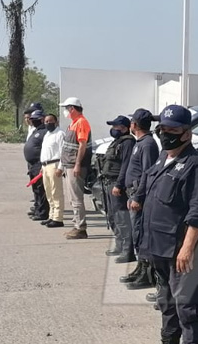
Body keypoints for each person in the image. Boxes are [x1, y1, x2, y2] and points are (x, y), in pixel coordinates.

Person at [133, 105, 198, 344]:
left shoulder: (197, 167)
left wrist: (188, 248)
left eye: (172, 130)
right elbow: (148, 185)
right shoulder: (162, 157)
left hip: (181, 252)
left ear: (187, 133)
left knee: (188, 308)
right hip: (158, 247)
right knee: (167, 304)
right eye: (162, 129)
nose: (165, 134)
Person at [118, 108, 161, 289]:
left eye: (132, 122)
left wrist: (138, 197)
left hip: (139, 196)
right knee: (137, 234)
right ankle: (140, 268)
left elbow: (147, 173)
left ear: (134, 124)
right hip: (133, 193)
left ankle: (147, 274)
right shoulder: (140, 142)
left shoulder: (147, 144)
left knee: (141, 235)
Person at [100, 115, 137, 259]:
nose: (114, 129)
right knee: (112, 216)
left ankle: (127, 251)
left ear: (125, 128)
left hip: (117, 184)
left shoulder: (128, 142)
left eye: (117, 127)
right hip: (108, 182)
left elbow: (126, 165)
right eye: (113, 126)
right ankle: (119, 245)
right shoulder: (117, 141)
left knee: (122, 217)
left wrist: (119, 184)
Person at [59, 96, 92, 240]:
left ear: (72, 108)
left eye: (66, 108)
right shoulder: (73, 123)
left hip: (75, 165)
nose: (65, 111)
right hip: (69, 164)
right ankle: (76, 224)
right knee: (72, 198)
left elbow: (82, 145)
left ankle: (80, 228)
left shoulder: (81, 123)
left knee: (76, 198)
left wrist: (78, 164)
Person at [39, 113, 66, 228]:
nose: (48, 123)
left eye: (50, 121)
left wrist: (60, 167)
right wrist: (42, 167)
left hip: (54, 165)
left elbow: (63, 152)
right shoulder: (47, 134)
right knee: (49, 192)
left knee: (56, 192)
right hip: (45, 165)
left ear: (56, 122)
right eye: (46, 121)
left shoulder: (60, 134)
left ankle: (58, 218)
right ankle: (51, 215)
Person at [24, 110, 49, 222]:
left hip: (39, 164)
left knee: (41, 189)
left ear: (41, 120)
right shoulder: (36, 130)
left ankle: (43, 212)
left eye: (35, 119)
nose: (32, 121)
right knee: (36, 190)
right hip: (32, 164)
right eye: (32, 119)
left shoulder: (44, 132)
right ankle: (38, 209)